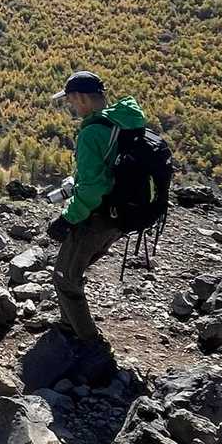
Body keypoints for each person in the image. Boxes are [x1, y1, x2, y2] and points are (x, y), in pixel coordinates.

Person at [45, 70, 147, 346]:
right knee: (74, 268)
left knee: (65, 277)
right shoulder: (123, 122)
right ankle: (71, 322)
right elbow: (106, 171)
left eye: (70, 100)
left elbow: (93, 188)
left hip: (98, 217)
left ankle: (86, 340)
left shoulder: (92, 133)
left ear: (81, 97)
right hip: (121, 216)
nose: (70, 105)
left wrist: (68, 218)